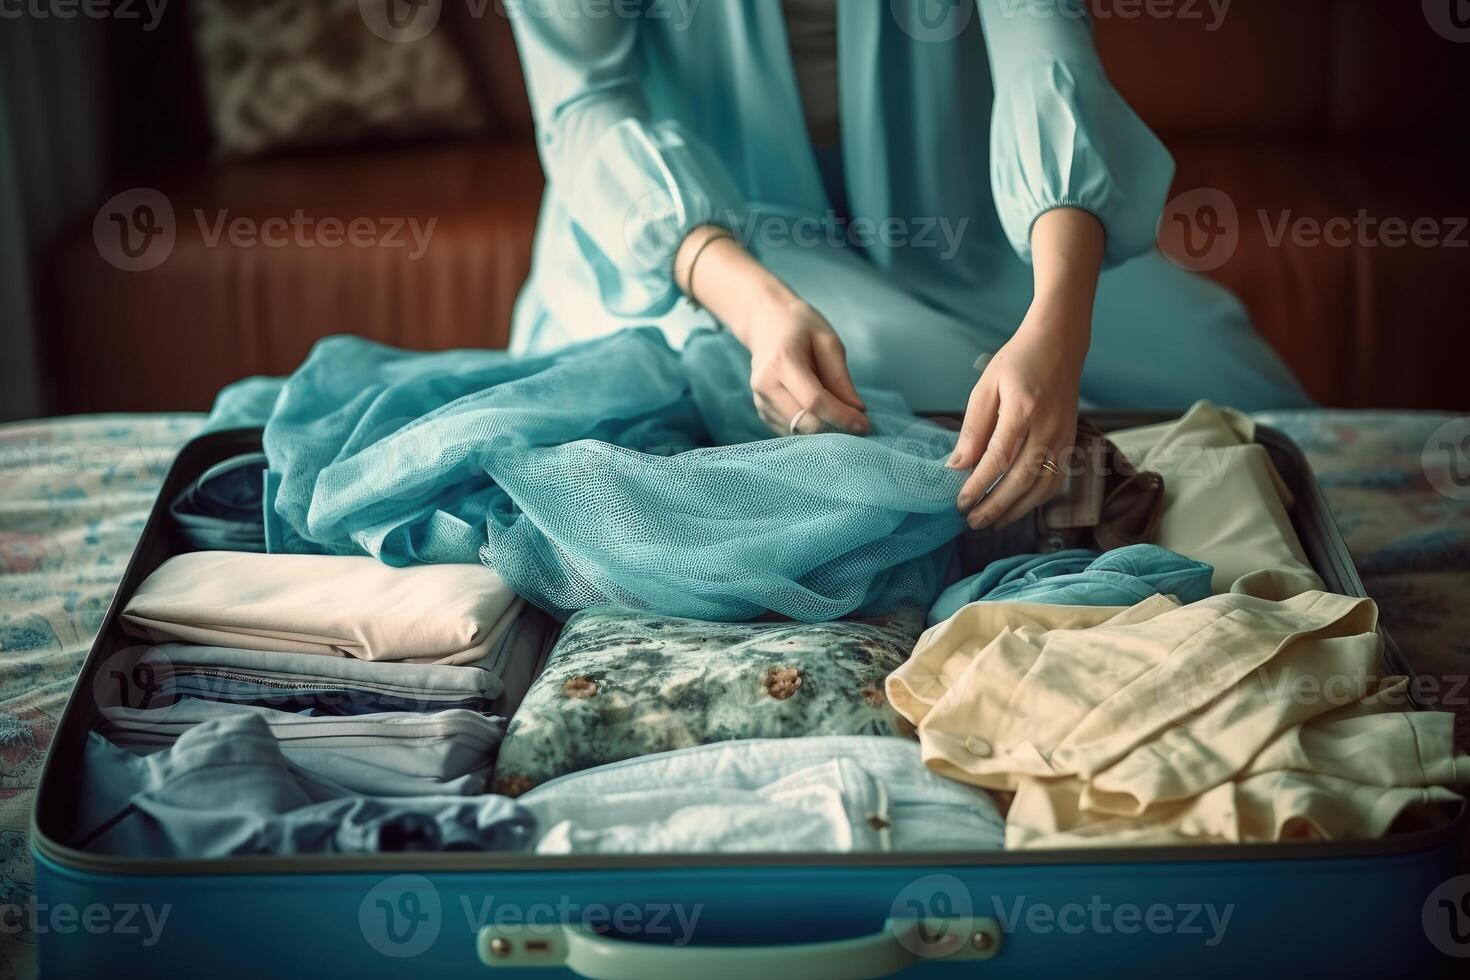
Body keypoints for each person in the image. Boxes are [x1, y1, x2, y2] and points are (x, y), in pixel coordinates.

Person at [506, 0, 1311, 532]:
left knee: (1233, 385)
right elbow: (587, 108)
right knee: (878, 382)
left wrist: (1057, 328)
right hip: (700, 239)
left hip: (963, 210)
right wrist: (757, 308)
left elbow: (1045, 53)